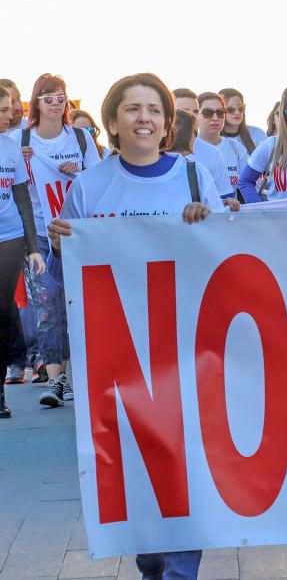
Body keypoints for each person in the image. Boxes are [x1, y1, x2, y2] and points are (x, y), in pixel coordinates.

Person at [48, 72, 223, 580]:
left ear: (168, 123)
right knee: (138, 470)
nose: (143, 118)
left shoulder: (194, 178)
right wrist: (62, 248)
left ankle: (177, 571)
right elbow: (69, 280)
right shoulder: (89, 186)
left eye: (153, 110)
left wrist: (207, 223)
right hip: (119, 355)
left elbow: (223, 256)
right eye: (132, 109)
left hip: (184, 345)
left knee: (182, 462)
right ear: (113, 121)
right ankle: (154, 563)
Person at [15, 74, 100, 408]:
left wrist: (77, 174)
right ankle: (54, 381)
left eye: (61, 97)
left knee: (79, 304)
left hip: (76, 232)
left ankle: (78, 375)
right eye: (48, 97)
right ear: (36, 102)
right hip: (38, 233)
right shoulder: (21, 140)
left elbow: (99, 181)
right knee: (47, 306)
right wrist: (14, 162)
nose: (55, 103)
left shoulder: (80, 139)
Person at [0, 84, 44, 418]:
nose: (10, 114)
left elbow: (22, 198)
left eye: (10, 108)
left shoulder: (11, 147)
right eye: (2, 109)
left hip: (10, 236)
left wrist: (32, 248)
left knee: (2, 309)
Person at [196, 91, 243, 200]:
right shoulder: (187, 150)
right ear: (196, 115)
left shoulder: (236, 148)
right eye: (208, 113)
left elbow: (247, 184)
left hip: (228, 215)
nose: (215, 118)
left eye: (220, 112)